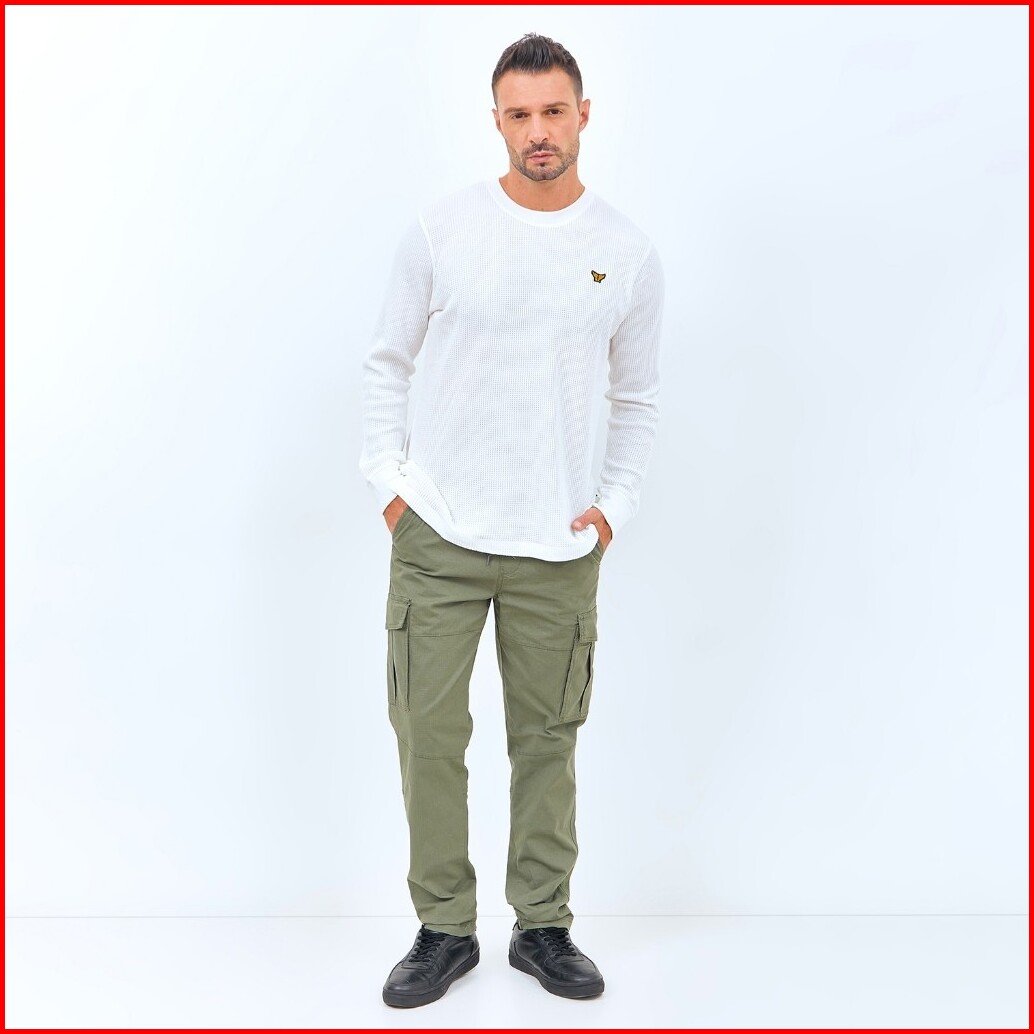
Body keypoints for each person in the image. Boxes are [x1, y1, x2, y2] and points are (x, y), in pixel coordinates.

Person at [358, 32, 664, 1008]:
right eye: (520, 114)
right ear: (496, 121)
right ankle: (444, 928)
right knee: (427, 736)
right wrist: (391, 488)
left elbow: (636, 398)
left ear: (583, 115)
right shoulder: (442, 230)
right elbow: (386, 361)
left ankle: (542, 925)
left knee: (547, 740)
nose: (539, 131)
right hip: (439, 536)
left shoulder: (625, 252)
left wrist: (610, 510)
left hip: (557, 544)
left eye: (553, 111)